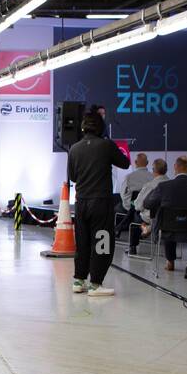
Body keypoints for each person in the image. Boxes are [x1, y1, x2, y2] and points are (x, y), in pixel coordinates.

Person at [66, 109, 129, 296]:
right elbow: (125, 163)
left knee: (83, 242)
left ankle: (79, 280)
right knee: (102, 242)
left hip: (81, 203)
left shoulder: (74, 148)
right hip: (101, 203)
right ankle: (96, 283)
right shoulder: (106, 145)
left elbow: (73, 177)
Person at [143, 155, 187, 271]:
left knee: (167, 219)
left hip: (167, 230)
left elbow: (147, 204)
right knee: (172, 220)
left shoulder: (164, 186)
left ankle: (170, 261)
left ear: (175, 167)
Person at [131, 159, 169, 254]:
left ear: (153, 170)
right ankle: (148, 227)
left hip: (151, 217)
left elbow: (138, 206)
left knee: (135, 214)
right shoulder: (171, 185)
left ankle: (133, 247)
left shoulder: (150, 186)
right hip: (168, 219)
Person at [118, 153, 152, 238]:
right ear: (147, 163)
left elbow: (123, 195)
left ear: (136, 162)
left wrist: (129, 206)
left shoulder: (129, 177)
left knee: (117, 207)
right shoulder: (153, 178)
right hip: (146, 210)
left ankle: (117, 230)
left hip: (130, 207)